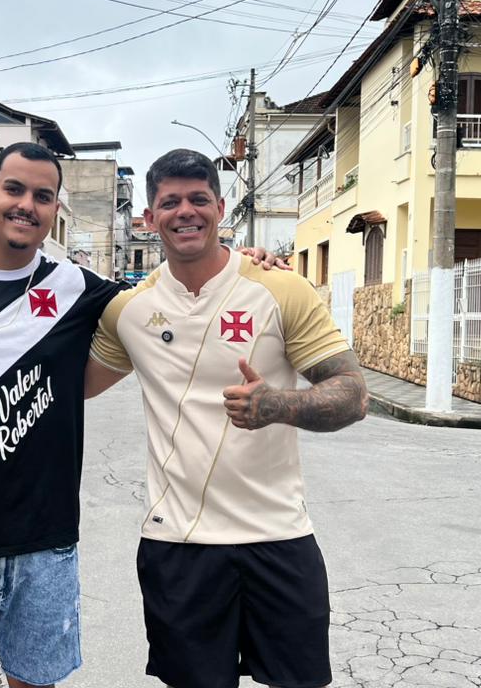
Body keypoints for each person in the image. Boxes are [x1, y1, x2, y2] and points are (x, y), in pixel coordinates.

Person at [0, 142, 288, 688]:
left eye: (43, 195)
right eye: (14, 189)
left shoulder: (77, 288)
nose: (26, 204)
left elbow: (165, 292)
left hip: (44, 542)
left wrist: (250, 260)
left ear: (57, 210)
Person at [85, 148, 368, 688]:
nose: (185, 212)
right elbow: (74, 385)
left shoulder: (280, 287)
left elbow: (353, 396)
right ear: (149, 218)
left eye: (198, 199)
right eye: (170, 202)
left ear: (220, 208)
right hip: (179, 545)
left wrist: (277, 406)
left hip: (278, 535)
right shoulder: (129, 311)